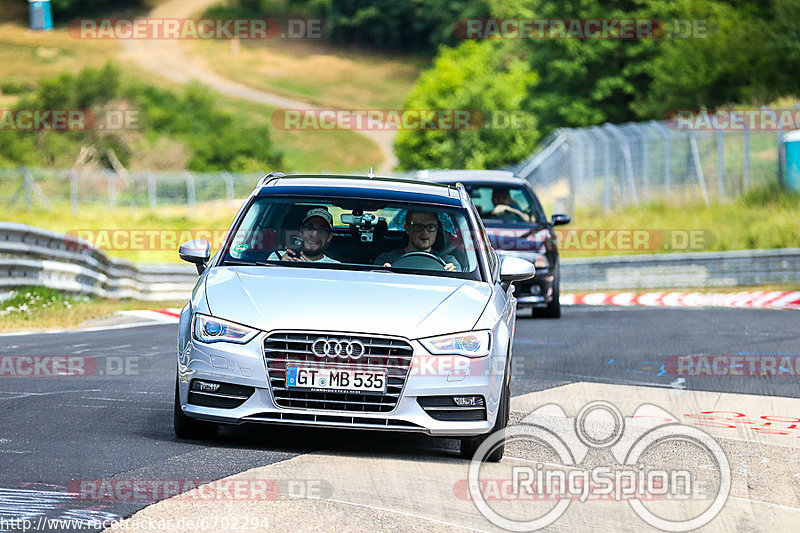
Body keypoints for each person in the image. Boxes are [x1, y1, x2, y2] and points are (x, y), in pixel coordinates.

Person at [375, 210, 460, 271]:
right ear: (407, 229)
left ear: (437, 229)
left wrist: (453, 276)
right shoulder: (386, 260)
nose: (425, 232)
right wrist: (383, 274)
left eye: (431, 227)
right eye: (419, 227)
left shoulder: (448, 262)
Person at [269, 208, 340, 263]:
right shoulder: (277, 257)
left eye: (321, 230)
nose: (314, 234)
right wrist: (281, 266)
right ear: (301, 231)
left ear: (329, 237)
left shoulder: (335, 267)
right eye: (310, 228)